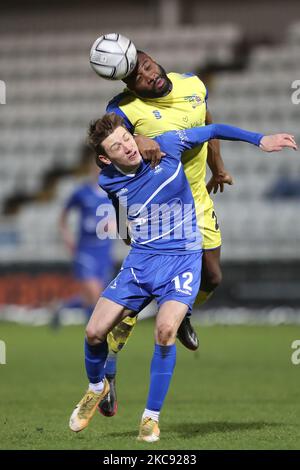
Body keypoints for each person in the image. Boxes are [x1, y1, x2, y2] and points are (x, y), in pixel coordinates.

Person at [69, 111, 296, 442]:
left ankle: (150, 417)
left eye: (126, 138)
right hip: (141, 260)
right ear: (106, 158)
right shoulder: (108, 179)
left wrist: (260, 139)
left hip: (182, 258)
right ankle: (96, 387)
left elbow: (215, 128)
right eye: (117, 146)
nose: (127, 147)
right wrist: (122, 230)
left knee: (164, 332)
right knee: (93, 332)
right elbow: (118, 202)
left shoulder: (169, 146)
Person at [99, 48, 233, 416]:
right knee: (135, 301)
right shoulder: (124, 108)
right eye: (138, 76)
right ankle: (107, 368)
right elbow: (103, 142)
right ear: (129, 84)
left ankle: (183, 310)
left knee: (214, 278)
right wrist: (134, 138)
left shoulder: (193, 83)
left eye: (147, 66)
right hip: (161, 211)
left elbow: (207, 119)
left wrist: (218, 167)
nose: (147, 75)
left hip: (198, 200)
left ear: (154, 60)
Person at [57, 160, 115, 323]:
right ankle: (95, 335)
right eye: (96, 167)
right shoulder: (81, 193)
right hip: (85, 250)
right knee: (94, 292)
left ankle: (63, 307)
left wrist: (116, 225)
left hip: (104, 251)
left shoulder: (115, 192)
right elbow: (63, 217)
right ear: (91, 169)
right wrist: (67, 238)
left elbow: (124, 218)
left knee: (95, 297)